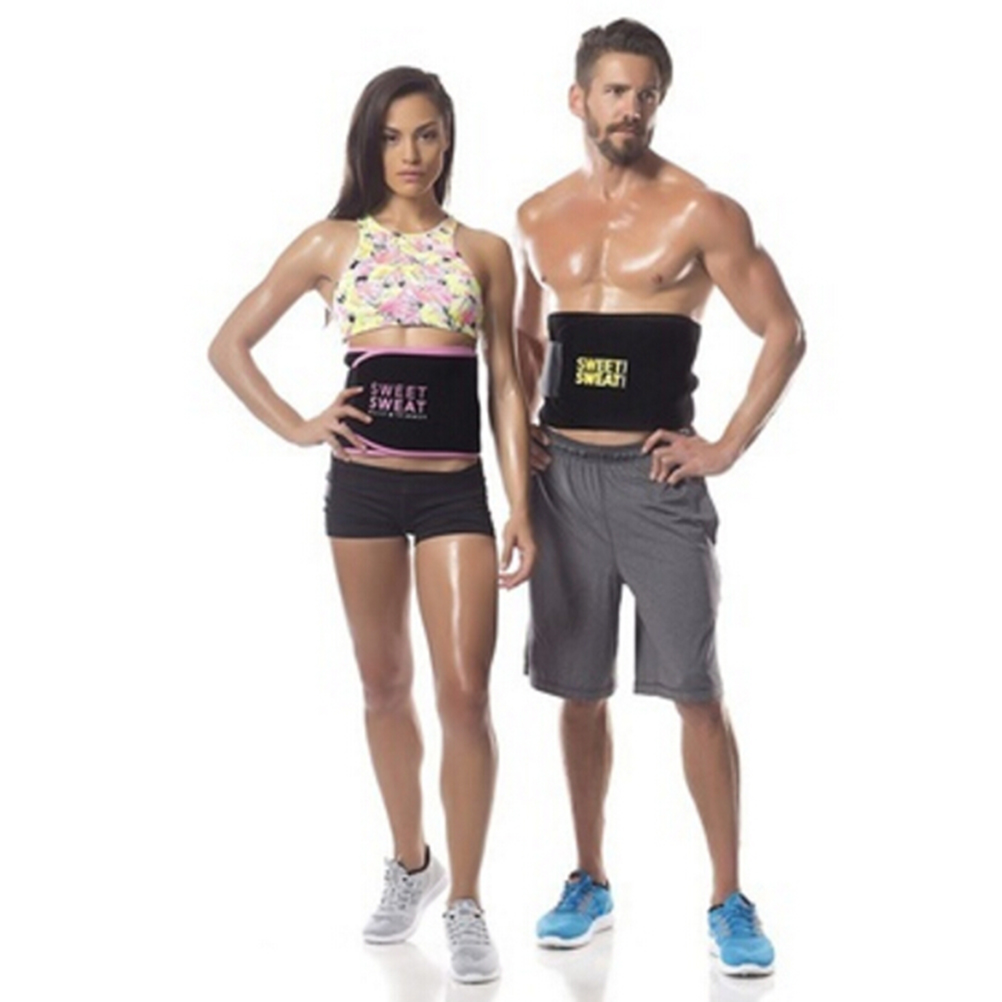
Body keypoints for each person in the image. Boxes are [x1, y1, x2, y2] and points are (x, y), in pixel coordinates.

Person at [208, 66, 534, 984]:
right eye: (392, 137)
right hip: (360, 493)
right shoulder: (332, 242)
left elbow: (507, 386)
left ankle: (467, 901)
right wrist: (298, 425)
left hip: (454, 495)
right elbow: (229, 345)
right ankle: (412, 864)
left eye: (426, 134)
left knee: (465, 693)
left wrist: (520, 506)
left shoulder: (485, 250)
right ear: (368, 144)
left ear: (448, 140)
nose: (410, 154)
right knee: (385, 685)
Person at [515, 20, 804, 977]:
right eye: (614, 90)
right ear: (578, 99)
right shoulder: (537, 216)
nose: (630, 108)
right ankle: (589, 878)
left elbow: (784, 331)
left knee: (695, 692)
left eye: (645, 93)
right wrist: (522, 443)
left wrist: (724, 444)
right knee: (578, 691)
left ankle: (728, 897)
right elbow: (526, 342)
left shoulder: (701, 211)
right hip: (563, 481)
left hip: (657, 481)